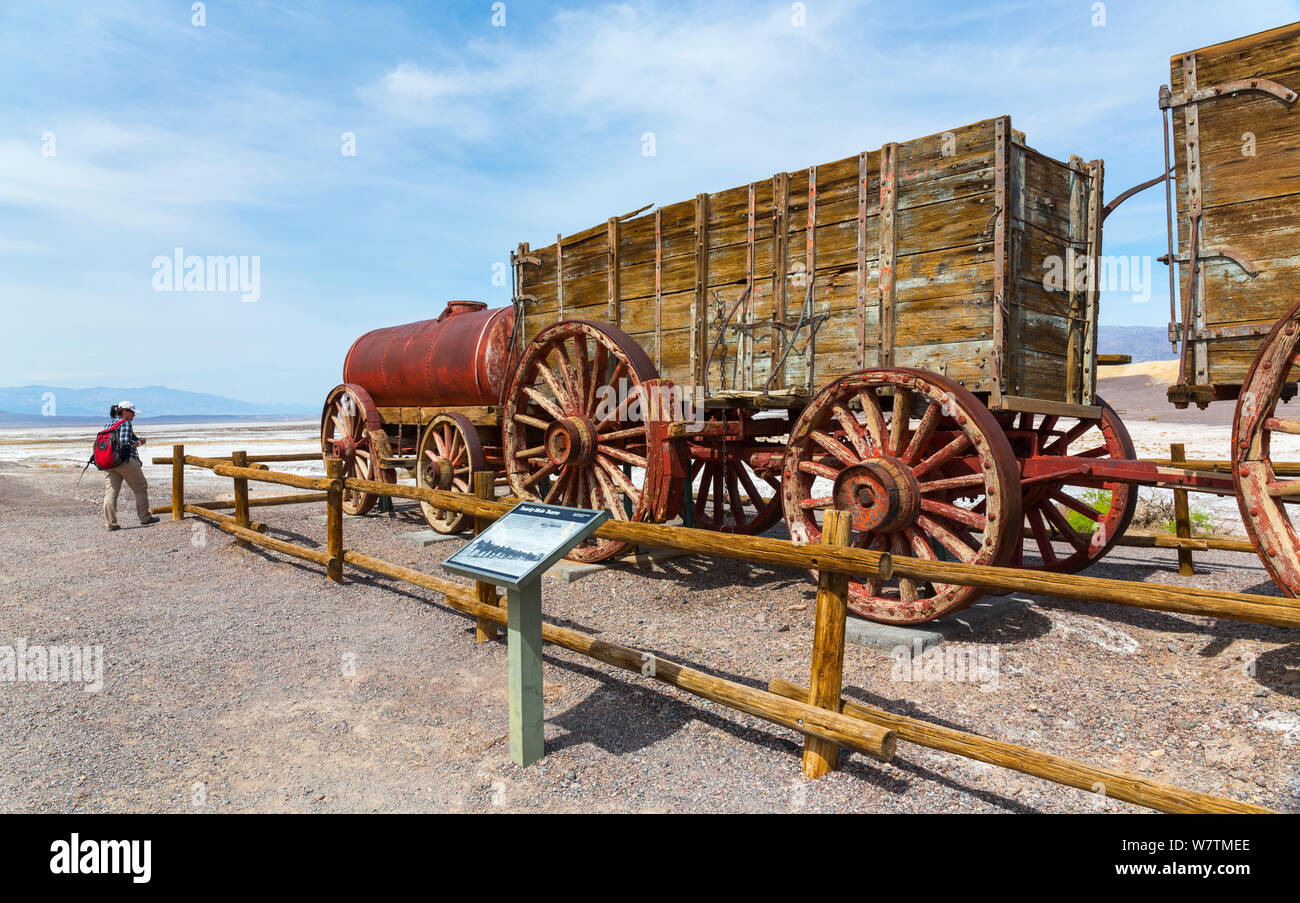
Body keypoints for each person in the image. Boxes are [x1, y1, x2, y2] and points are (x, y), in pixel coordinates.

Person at [103, 401, 158, 531]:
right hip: (124, 461)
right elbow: (124, 444)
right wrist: (138, 442)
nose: (134, 415)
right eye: (132, 412)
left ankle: (111, 523)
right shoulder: (125, 423)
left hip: (109, 462)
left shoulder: (108, 424)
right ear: (125, 412)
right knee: (140, 487)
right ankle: (145, 518)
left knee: (111, 492)